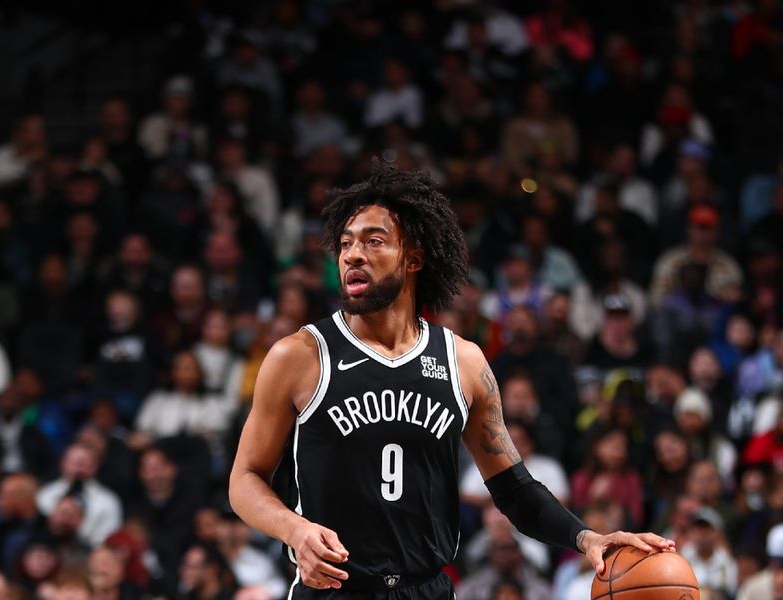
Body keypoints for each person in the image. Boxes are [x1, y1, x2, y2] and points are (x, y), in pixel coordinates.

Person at [228, 163, 673, 598]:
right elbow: (245, 478)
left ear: (415, 258)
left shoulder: (462, 361)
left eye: (374, 240)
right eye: (345, 244)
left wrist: (587, 538)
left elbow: (514, 490)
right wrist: (295, 530)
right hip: (334, 589)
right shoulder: (299, 355)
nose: (353, 254)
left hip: (428, 589)